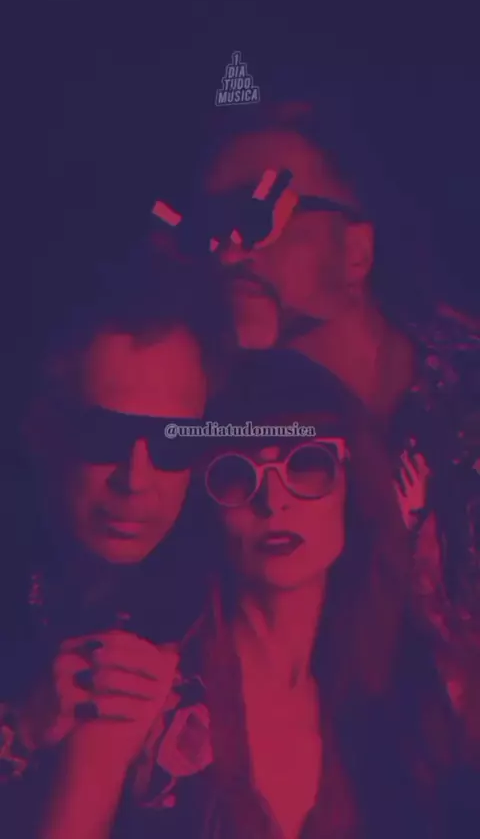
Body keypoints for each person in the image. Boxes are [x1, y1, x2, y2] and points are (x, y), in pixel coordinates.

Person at [35, 351, 480, 839]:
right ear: (205, 504)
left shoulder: (413, 687)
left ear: (353, 486)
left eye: (307, 464)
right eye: (235, 474)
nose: (273, 500)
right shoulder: (136, 684)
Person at [169, 85, 480, 679]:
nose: (228, 251)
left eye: (261, 212)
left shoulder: (467, 387)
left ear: (356, 251)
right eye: (210, 226)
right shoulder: (208, 434)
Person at [0, 239, 229, 833]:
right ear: (42, 431)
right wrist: (19, 728)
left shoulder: (236, 586)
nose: (136, 478)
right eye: (104, 436)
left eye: (174, 442)